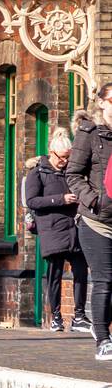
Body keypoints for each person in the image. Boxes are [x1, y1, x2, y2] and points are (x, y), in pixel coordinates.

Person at [25, 130, 90, 334]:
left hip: (75, 227)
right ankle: (56, 317)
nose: (64, 161)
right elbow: (32, 201)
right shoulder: (38, 173)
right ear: (51, 152)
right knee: (54, 274)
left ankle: (79, 315)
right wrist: (61, 199)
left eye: (68, 157)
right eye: (61, 157)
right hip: (52, 229)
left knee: (81, 271)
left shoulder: (72, 171)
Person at [66, 94, 112, 361]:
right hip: (96, 221)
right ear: (102, 103)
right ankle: (103, 340)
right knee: (105, 279)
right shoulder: (90, 134)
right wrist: (93, 199)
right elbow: (72, 173)